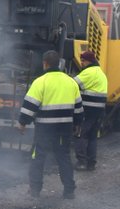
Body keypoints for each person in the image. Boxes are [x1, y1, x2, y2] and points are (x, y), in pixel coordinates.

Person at [16, 50, 83, 199]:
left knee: (38, 157)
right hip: (64, 128)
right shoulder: (71, 82)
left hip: (45, 129)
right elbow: (78, 108)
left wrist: (22, 123)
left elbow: (29, 105)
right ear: (59, 64)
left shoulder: (41, 82)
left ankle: (35, 190)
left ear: (45, 64)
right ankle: (69, 191)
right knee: (64, 157)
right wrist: (77, 124)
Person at [73, 49, 108, 170]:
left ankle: (81, 162)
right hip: (99, 111)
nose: (81, 63)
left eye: (83, 60)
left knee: (80, 135)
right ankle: (91, 163)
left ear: (89, 61)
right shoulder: (101, 73)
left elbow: (72, 85)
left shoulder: (89, 72)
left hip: (87, 110)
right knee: (92, 137)